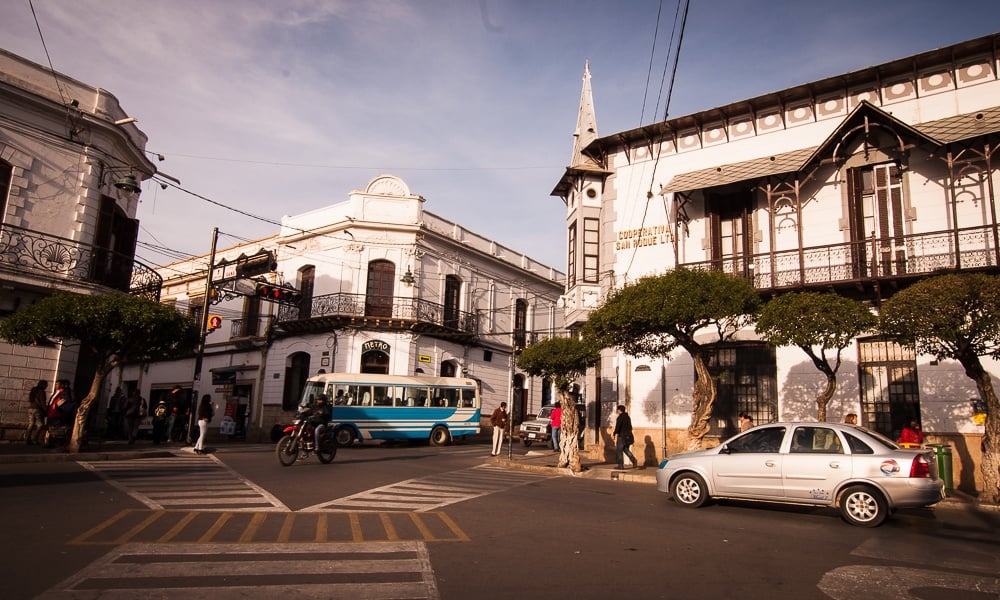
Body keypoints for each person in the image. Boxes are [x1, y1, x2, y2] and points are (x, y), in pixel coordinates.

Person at [612, 404, 639, 469]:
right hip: (628, 436)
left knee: (619, 451)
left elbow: (618, 427)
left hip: (622, 436)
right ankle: (634, 460)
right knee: (625, 449)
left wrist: (614, 433)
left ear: (619, 410)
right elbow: (630, 427)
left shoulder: (620, 417)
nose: (617, 411)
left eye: (618, 410)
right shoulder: (627, 417)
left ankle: (620, 465)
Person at [25, 380, 48, 445]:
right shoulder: (42, 392)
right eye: (46, 385)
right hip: (38, 409)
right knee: (40, 425)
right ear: (43, 385)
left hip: (30, 408)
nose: (47, 386)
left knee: (31, 424)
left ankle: (27, 438)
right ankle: (35, 438)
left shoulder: (34, 390)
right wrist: (45, 410)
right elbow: (42, 402)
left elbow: (30, 399)